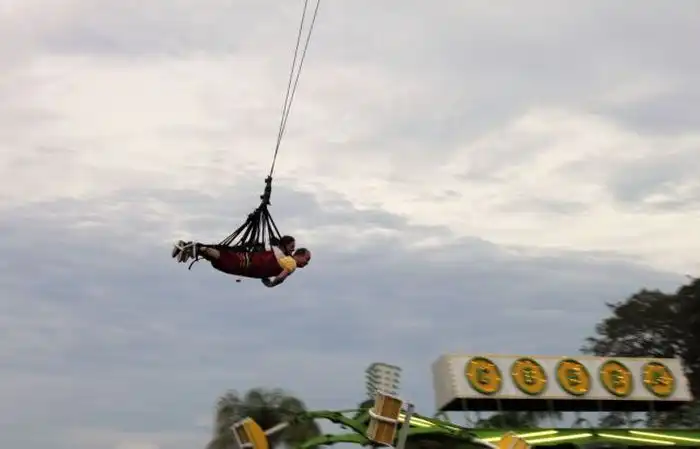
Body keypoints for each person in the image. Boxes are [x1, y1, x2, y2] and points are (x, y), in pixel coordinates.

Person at [171, 236, 311, 288]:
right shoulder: (291, 263)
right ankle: (196, 247)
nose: (307, 263)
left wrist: (266, 278)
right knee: (225, 259)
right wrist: (272, 284)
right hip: (248, 265)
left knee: (224, 257)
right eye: (307, 259)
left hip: (247, 262)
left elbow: (271, 265)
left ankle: (193, 247)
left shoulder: (281, 257)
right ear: (299, 255)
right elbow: (281, 277)